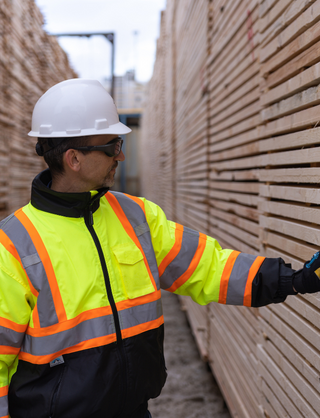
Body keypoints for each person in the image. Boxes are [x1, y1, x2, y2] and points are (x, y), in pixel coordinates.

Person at [0, 79, 319, 418]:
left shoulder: (136, 216)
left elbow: (206, 266)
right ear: (74, 158)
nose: (121, 155)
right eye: (112, 146)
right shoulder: (14, 245)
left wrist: (293, 279)